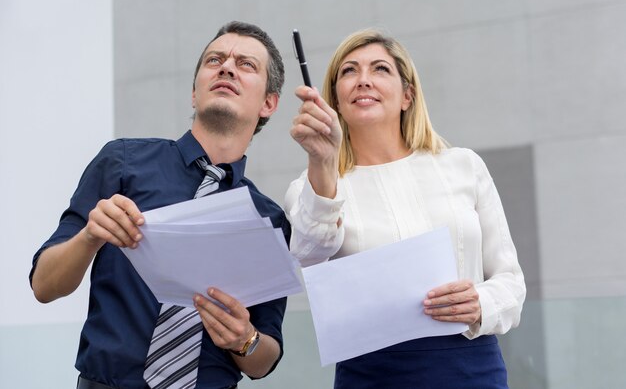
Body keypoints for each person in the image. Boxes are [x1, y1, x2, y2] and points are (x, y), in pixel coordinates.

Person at [30, 21, 291, 389]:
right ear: (194, 93)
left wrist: (244, 339)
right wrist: (90, 235)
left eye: (246, 64)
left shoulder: (269, 219)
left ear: (269, 103)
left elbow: (263, 361)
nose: (227, 67)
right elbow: (44, 286)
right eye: (215, 59)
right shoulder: (121, 161)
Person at [285, 28, 526, 388]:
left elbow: (511, 281)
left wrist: (480, 302)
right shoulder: (312, 185)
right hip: (371, 374)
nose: (363, 80)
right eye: (349, 71)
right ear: (334, 100)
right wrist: (322, 164)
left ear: (407, 95)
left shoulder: (463, 166)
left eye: (380, 69)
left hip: (471, 367)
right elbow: (307, 254)